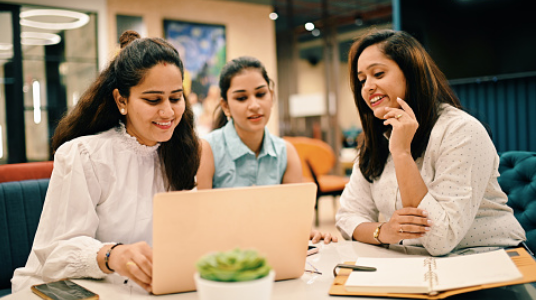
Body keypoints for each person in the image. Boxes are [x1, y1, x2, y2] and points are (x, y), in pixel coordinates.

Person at [11, 30, 200, 293]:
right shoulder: (85, 155)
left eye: (176, 98)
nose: (168, 111)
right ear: (121, 100)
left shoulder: (182, 152)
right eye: (153, 100)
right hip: (66, 291)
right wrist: (112, 255)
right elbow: (55, 256)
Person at [335, 29, 525, 256]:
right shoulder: (375, 140)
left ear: (411, 73)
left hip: (492, 257)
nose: (367, 87)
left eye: (378, 74)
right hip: (418, 263)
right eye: (362, 79)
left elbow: (440, 239)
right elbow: (347, 216)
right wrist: (384, 231)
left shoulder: (461, 130)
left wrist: (402, 153)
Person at [196, 56, 337, 244]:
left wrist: (310, 234)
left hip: (275, 255)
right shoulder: (207, 149)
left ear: (271, 97)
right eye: (241, 98)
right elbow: (199, 223)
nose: (254, 105)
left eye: (261, 94)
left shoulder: (286, 152)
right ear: (225, 106)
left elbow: (295, 222)